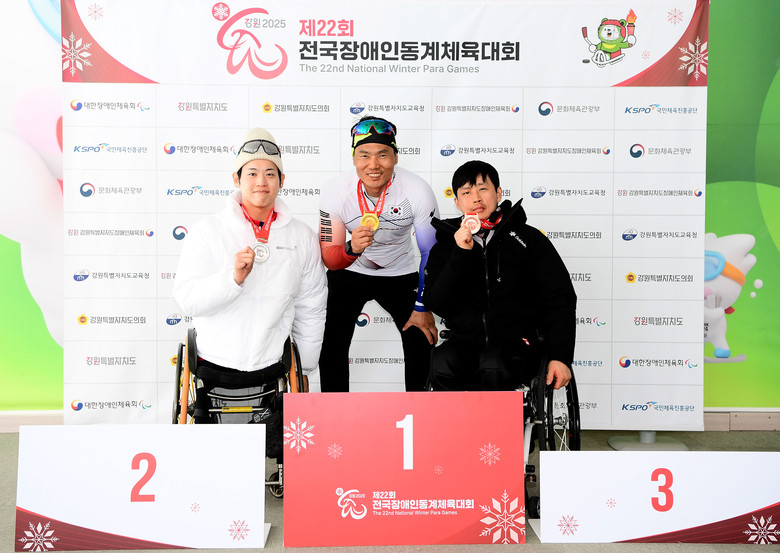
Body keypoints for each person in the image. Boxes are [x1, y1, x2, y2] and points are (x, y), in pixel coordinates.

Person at [173, 127, 327, 403]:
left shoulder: (302, 236)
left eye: (270, 174)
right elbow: (188, 300)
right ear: (237, 178)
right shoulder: (207, 230)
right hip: (214, 362)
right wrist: (232, 279)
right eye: (252, 173)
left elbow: (311, 307)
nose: (261, 182)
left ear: (282, 180)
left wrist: (305, 368)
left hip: (273, 363)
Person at [423, 160, 576, 391]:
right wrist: (460, 254)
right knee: (442, 362)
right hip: (464, 342)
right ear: (457, 202)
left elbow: (560, 298)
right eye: (467, 192)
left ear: (498, 193)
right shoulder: (445, 245)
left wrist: (560, 356)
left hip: (518, 344)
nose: (476, 198)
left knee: (493, 364)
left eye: (483, 189)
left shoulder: (529, 240)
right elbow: (437, 303)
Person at [317, 115, 439, 391]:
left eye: (383, 154)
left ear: (395, 157)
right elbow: (331, 259)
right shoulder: (335, 191)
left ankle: (419, 410)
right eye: (364, 155)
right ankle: (334, 412)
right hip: (350, 271)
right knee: (331, 340)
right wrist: (351, 248)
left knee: (421, 335)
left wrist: (422, 306)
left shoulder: (417, 190)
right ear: (354, 158)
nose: (373, 165)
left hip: (400, 272)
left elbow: (431, 254)